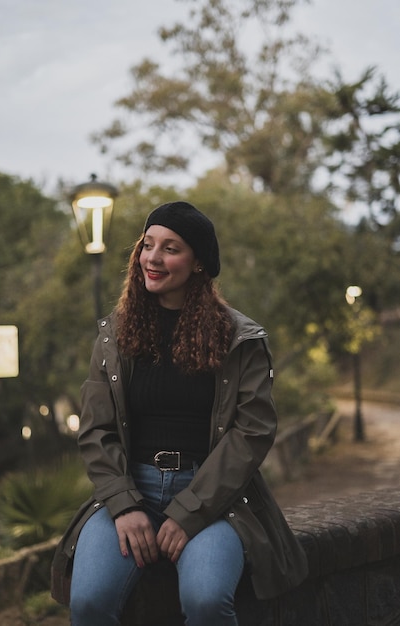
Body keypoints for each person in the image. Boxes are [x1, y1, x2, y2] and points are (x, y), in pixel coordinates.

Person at [60, 201, 308, 625]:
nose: (153, 258)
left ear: (198, 264)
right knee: (88, 602)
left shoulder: (239, 338)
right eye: (148, 245)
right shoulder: (115, 336)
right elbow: (96, 431)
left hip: (215, 497)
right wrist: (123, 504)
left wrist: (189, 510)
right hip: (130, 488)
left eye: (171, 248)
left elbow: (252, 433)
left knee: (206, 600)